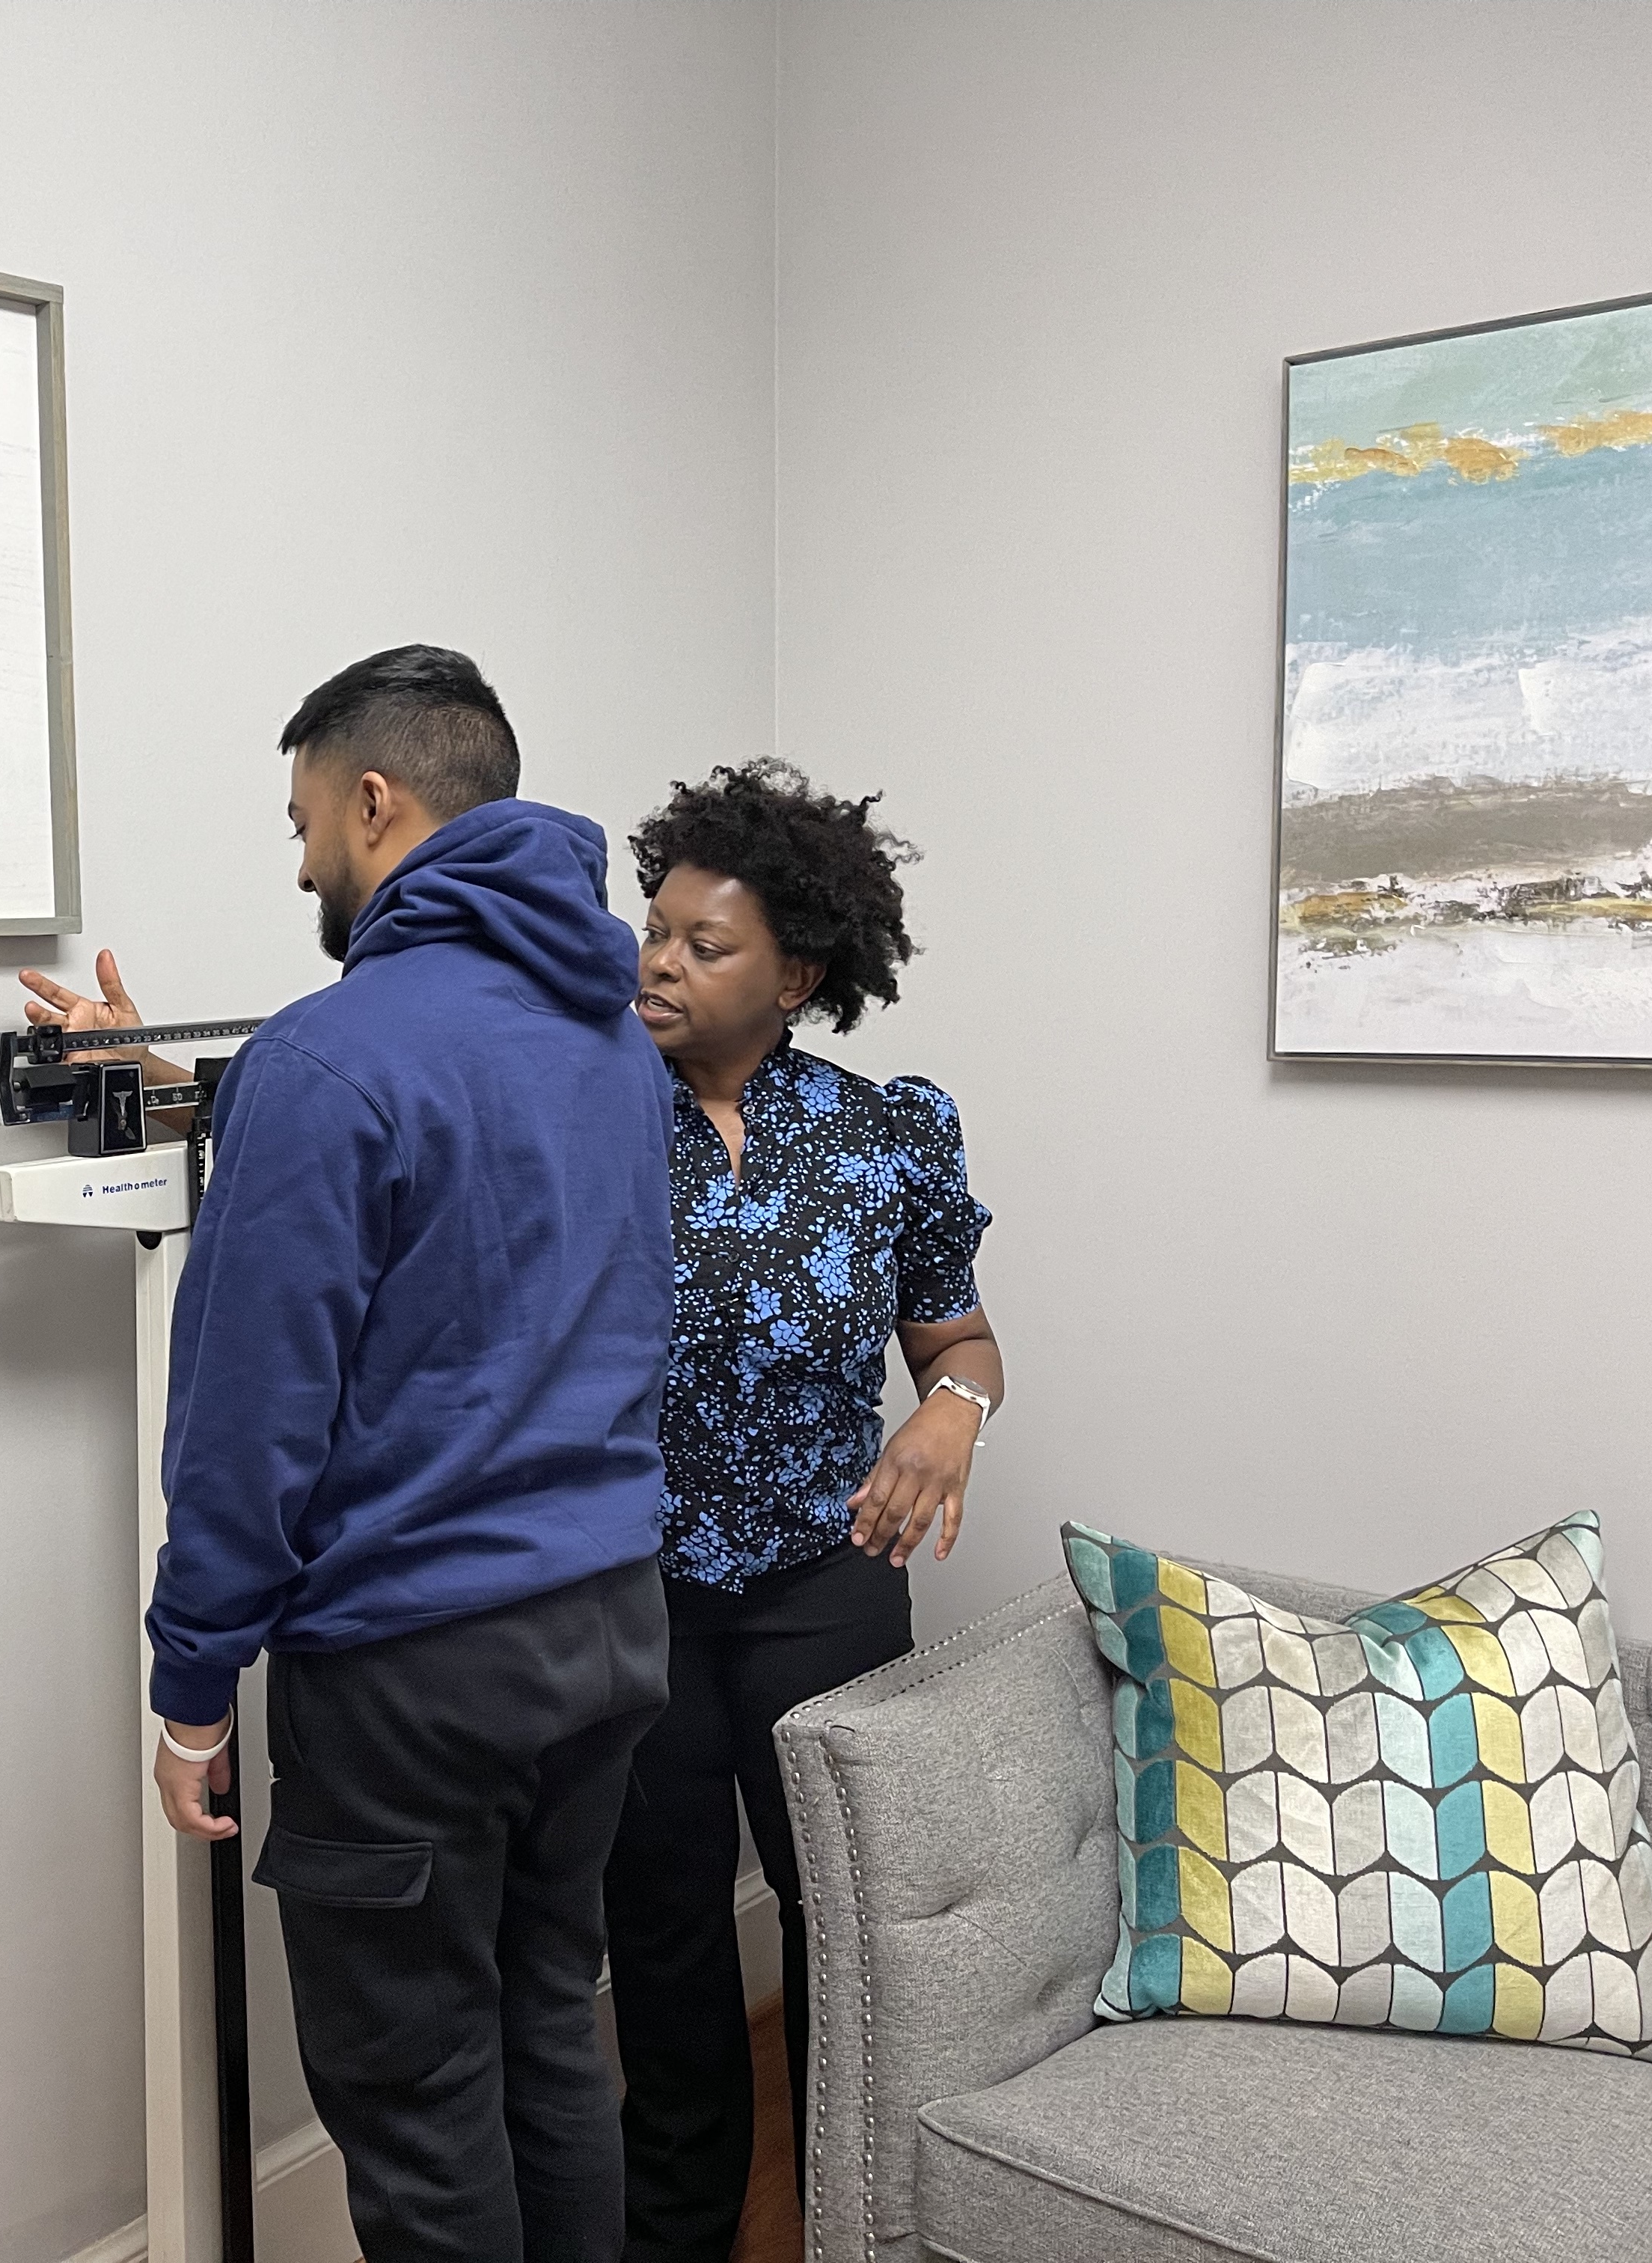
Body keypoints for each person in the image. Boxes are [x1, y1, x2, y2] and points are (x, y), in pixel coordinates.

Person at [18, 646, 681, 2263]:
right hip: (607, 1629)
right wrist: (180, 1095)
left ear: (375, 799)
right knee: (544, 2029)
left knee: (419, 2095)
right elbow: (457, 1192)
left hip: (416, 1675)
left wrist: (189, 1690)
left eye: (305, 816)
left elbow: (249, 1430)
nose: (301, 855)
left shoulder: (335, 1059)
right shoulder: (606, 1037)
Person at [599, 758, 1004, 2263]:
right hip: (621, 1598)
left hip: (822, 1593)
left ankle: (854, 2221)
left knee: (847, 1931)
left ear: (799, 976)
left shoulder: (884, 1136)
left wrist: (950, 1419)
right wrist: (171, 1089)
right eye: (657, 928)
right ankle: (682, 2234)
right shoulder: (578, 1112)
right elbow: (385, 1110)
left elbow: (957, 1341)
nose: (661, 958)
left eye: (707, 945)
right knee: (663, 1939)